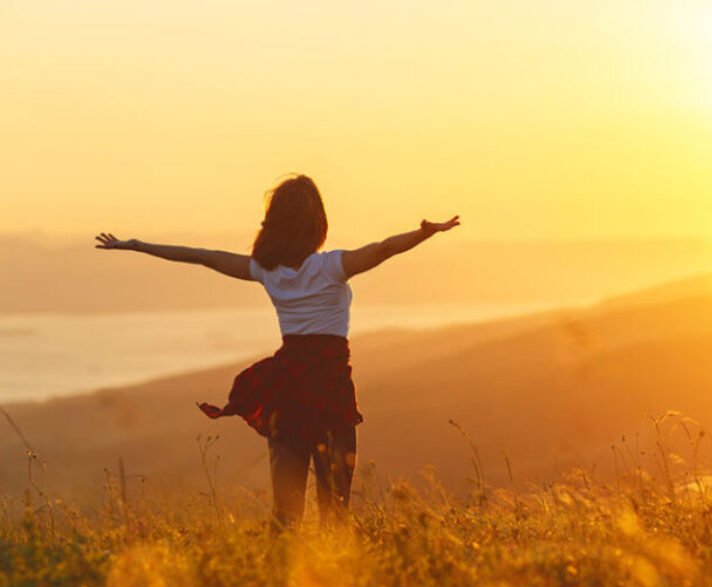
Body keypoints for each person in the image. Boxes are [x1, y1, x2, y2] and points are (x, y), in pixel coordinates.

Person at [95, 174, 460, 528]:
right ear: (317, 223)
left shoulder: (265, 270)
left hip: (287, 391)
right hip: (330, 390)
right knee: (335, 512)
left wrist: (137, 245)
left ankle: (276, 581)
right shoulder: (331, 267)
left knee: (286, 515)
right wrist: (425, 234)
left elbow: (202, 256)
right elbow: (383, 249)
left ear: (274, 224)